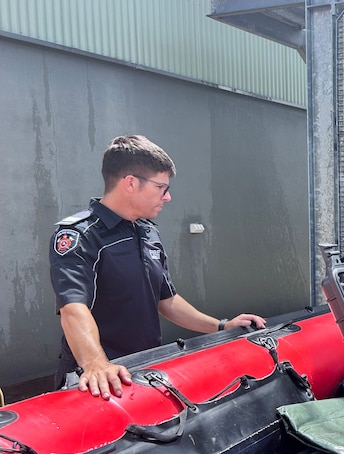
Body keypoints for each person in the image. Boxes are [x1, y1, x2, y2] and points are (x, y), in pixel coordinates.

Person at [50, 135, 266, 400]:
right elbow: (72, 308)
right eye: (161, 187)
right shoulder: (80, 236)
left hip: (144, 368)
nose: (168, 197)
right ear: (130, 183)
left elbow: (166, 300)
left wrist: (222, 327)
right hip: (94, 377)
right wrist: (96, 363)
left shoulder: (146, 232)